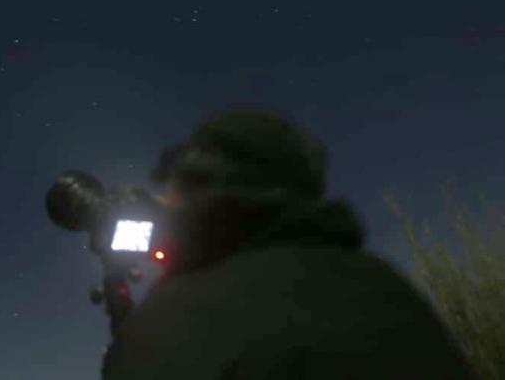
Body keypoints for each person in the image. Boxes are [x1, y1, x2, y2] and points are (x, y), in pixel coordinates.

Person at [101, 104, 474, 380]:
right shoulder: (389, 288)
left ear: (202, 183)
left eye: (174, 182)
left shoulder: (175, 319)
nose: (163, 199)